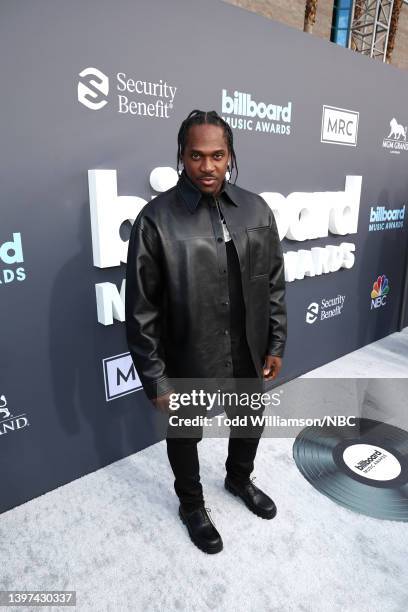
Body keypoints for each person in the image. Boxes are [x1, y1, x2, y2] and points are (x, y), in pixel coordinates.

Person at [125, 109, 287, 554]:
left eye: (217, 155)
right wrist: (156, 377)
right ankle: (192, 505)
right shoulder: (155, 219)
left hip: (247, 345)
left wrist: (275, 341)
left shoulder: (256, 208)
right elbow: (141, 309)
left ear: (230, 155)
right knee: (186, 431)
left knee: (250, 419)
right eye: (197, 156)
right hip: (188, 352)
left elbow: (273, 282)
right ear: (182, 156)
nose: (208, 166)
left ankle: (238, 480)